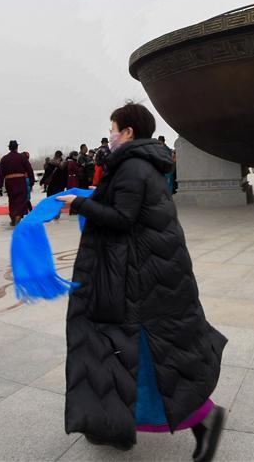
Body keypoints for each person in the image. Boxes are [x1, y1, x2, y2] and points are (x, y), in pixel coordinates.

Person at [56, 103, 227, 459]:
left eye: (113, 128)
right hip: (141, 271)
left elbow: (122, 217)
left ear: (129, 132)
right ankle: (112, 425)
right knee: (121, 352)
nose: (110, 134)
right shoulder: (139, 165)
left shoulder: (132, 166)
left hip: (140, 278)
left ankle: (204, 419)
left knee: (144, 356)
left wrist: (80, 204)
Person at [0, 140, 35, 227]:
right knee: (20, 201)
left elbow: (0, 173)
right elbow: (29, 170)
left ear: (9, 148)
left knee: (12, 201)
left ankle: (13, 219)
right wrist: (31, 181)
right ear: (17, 147)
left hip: (10, 183)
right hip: (21, 182)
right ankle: (17, 219)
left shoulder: (4, 158)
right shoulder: (22, 157)